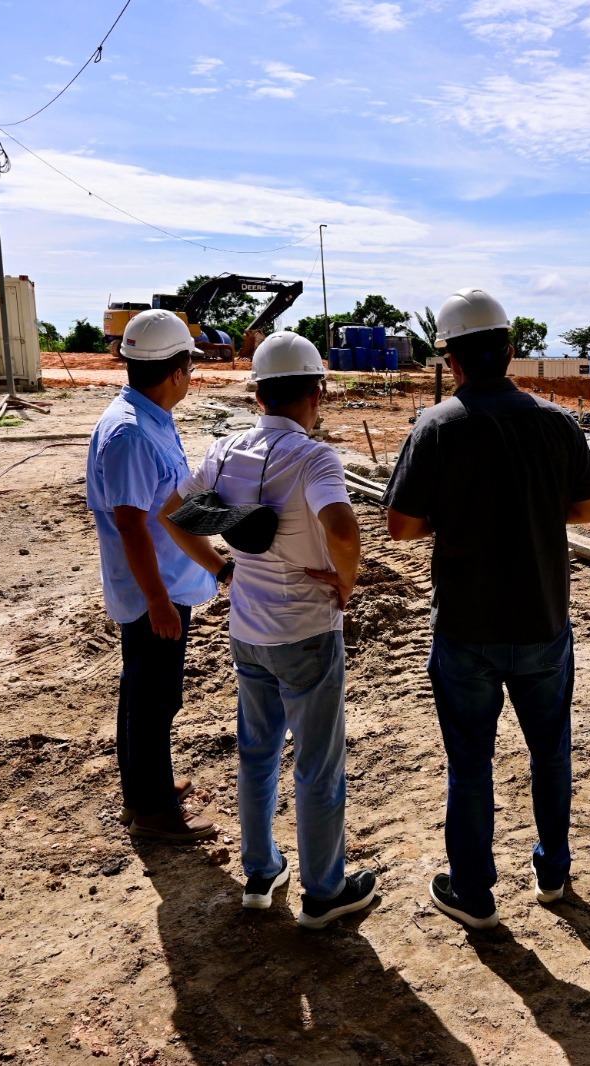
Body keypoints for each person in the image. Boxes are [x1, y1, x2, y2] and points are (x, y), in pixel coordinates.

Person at [383, 288, 590, 930]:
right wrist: (538, 508)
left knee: (470, 762)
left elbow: (400, 525)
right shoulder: (556, 422)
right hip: (542, 622)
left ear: (451, 359)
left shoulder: (436, 427)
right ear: (510, 352)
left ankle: (475, 894)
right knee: (550, 750)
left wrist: (457, 515)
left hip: (466, 630)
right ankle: (554, 870)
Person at [162, 333, 377, 924]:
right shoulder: (313, 457)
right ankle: (325, 890)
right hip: (306, 630)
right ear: (316, 391)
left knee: (257, 753)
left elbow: (172, 514)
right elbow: (343, 525)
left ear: (257, 394)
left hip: (248, 629)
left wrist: (223, 568)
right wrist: (345, 581)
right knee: (317, 763)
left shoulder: (227, 451)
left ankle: (260, 872)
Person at [87, 309, 227, 844]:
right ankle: (152, 811)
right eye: (189, 367)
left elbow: (167, 507)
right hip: (154, 593)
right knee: (153, 699)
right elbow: (132, 525)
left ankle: (147, 788)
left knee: (144, 693)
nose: (190, 377)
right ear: (176, 372)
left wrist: (220, 564)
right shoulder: (131, 434)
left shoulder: (149, 418)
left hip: (164, 584)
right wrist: (159, 602)